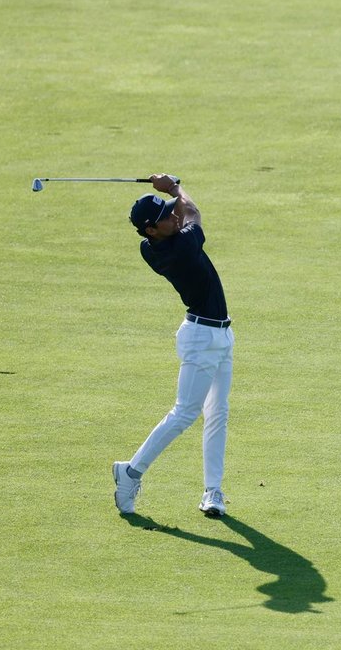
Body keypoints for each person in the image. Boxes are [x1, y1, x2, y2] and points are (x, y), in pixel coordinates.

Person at [113, 174, 235, 517]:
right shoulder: (181, 245)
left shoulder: (151, 245)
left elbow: (182, 215)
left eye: (170, 211)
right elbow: (193, 210)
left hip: (218, 334)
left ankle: (213, 492)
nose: (175, 215)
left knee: (217, 413)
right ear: (152, 230)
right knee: (184, 413)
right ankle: (130, 473)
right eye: (166, 216)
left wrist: (167, 197)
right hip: (203, 338)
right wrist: (174, 187)